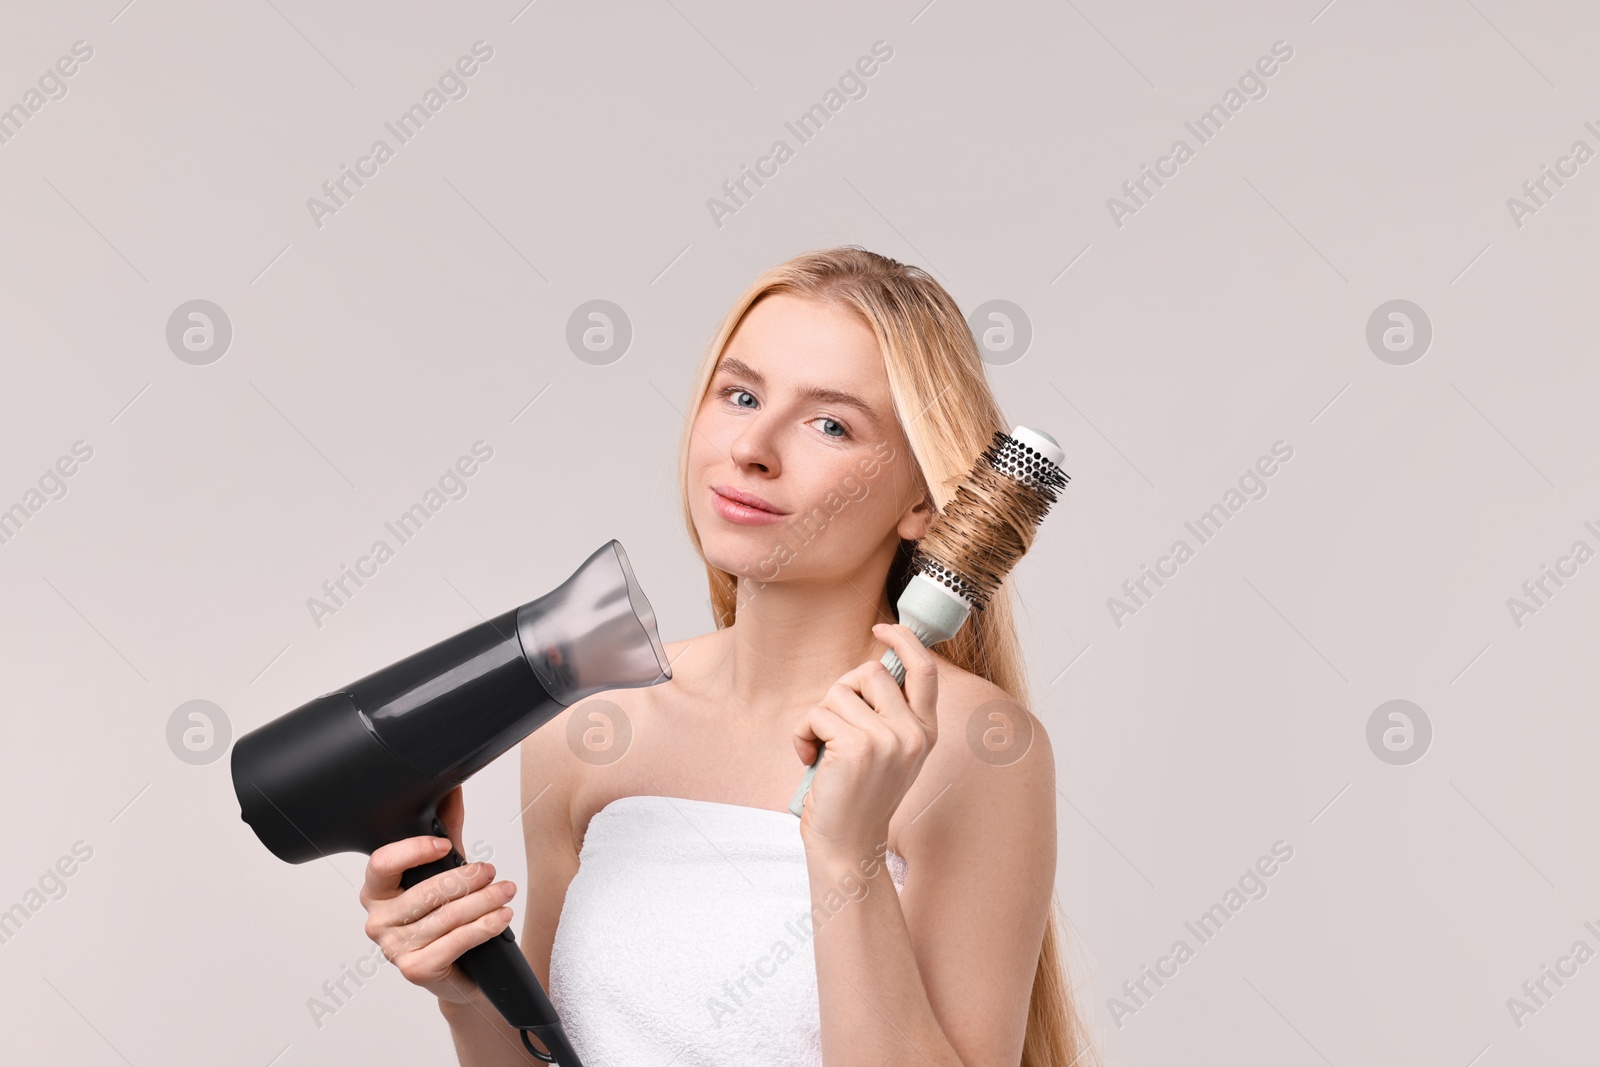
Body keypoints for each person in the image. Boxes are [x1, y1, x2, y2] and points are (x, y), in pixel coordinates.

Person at [358, 246, 1100, 1066]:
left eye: (830, 423)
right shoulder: (594, 722)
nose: (752, 445)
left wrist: (846, 852)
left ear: (924, 499)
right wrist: (469, 996)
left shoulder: (971, 748)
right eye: (740, 394)